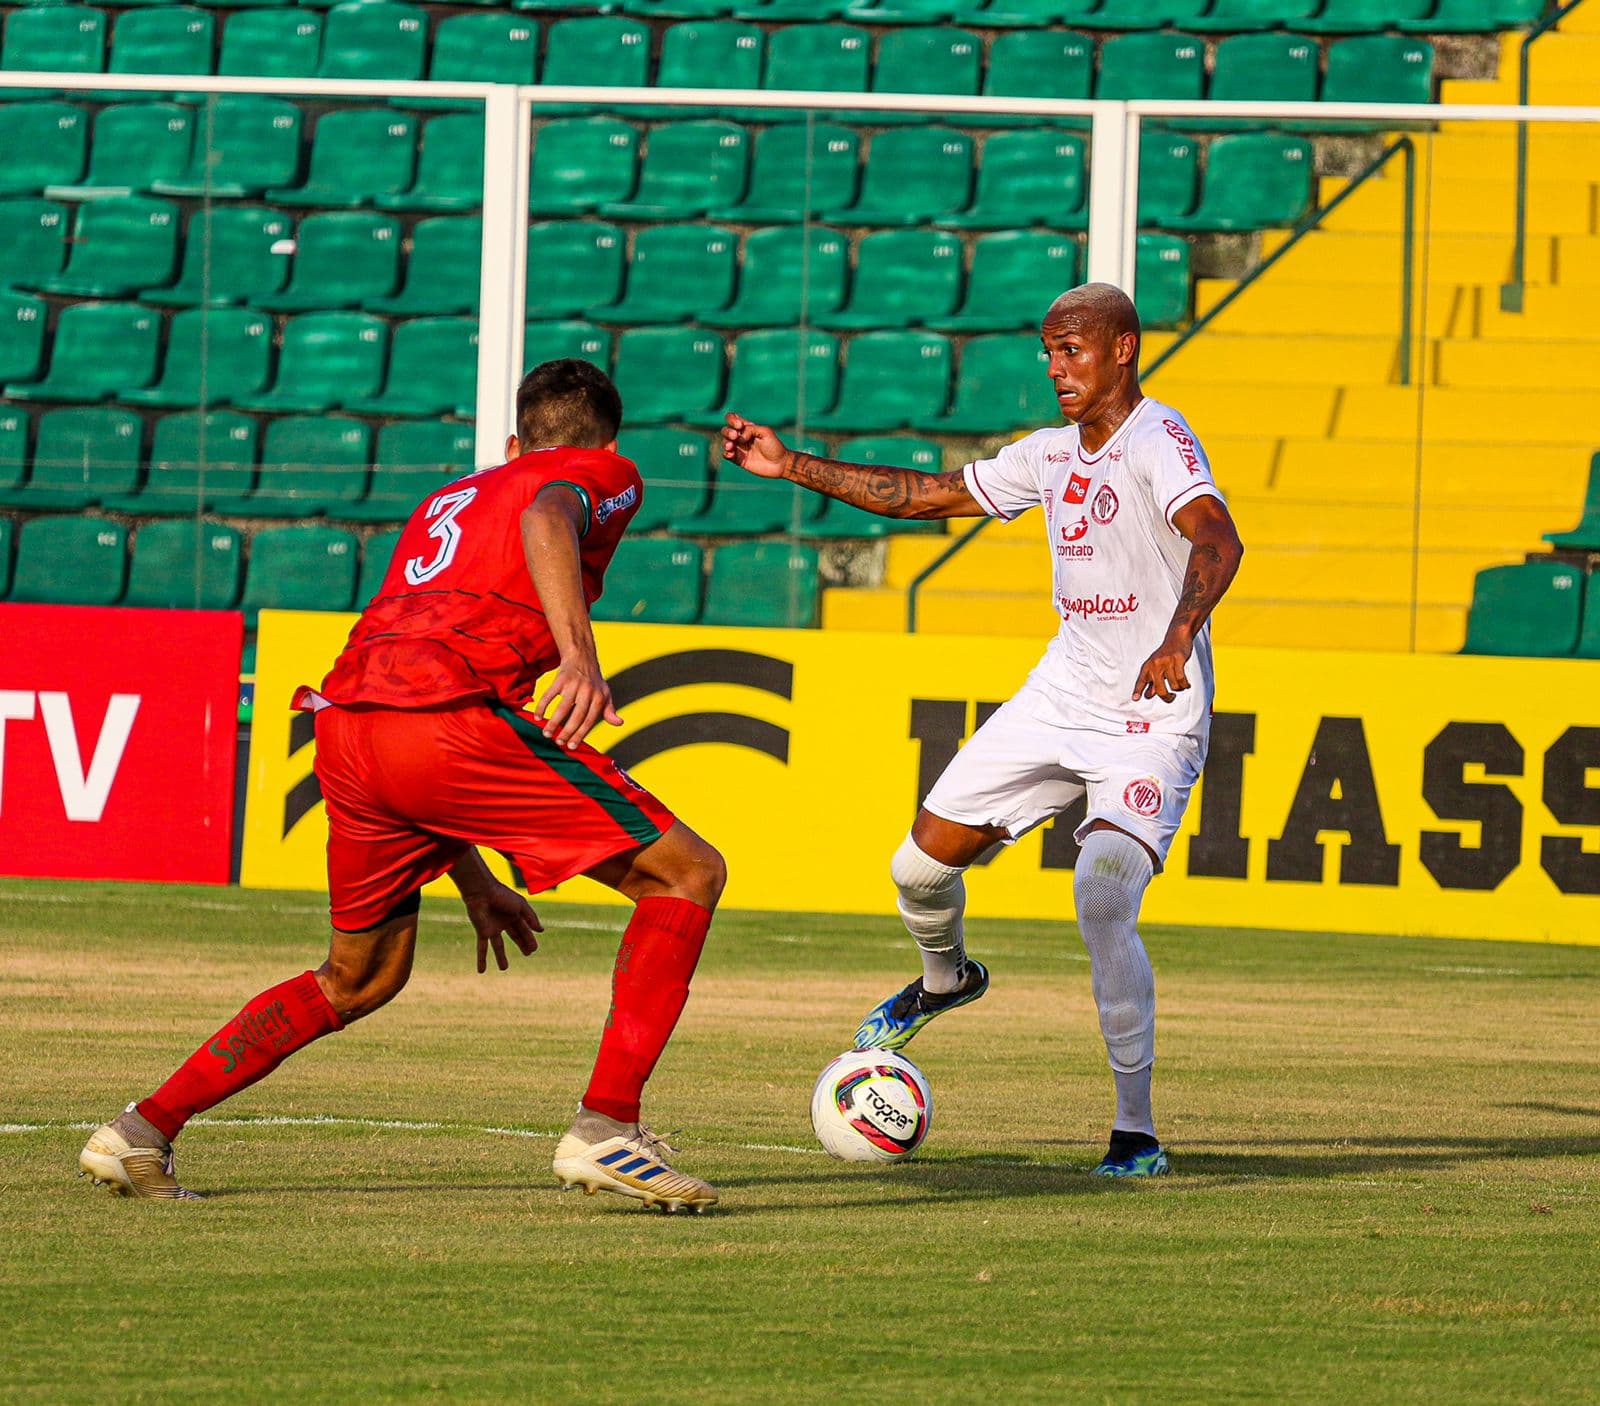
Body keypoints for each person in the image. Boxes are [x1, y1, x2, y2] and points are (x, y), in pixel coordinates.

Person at [81, 359, 724, 1212]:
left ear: (511, 444)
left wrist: (474, 878)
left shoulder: (445, 500)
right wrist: (579, 656)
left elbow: (418, 709)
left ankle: (140, 1129)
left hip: (351, 725)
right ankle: (608, 1126)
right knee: (687, 873)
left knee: (359, 976)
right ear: (605, 446)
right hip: (446, 716)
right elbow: (546, 515)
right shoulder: (599, 472)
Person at [721, 283, 1243, 1177]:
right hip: (1063, 694)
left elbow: (1219, 540)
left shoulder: (1159, 438)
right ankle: (946, 979)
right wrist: (790, 464)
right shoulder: (1049, 455)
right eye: (1049, 352)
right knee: (917, 869)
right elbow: (925, 496)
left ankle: (1136, 1133)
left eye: (1072, 349)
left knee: (1102, 896)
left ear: (1123, 349)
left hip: (1150, 716)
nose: (1056, 368)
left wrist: (1177, 636)